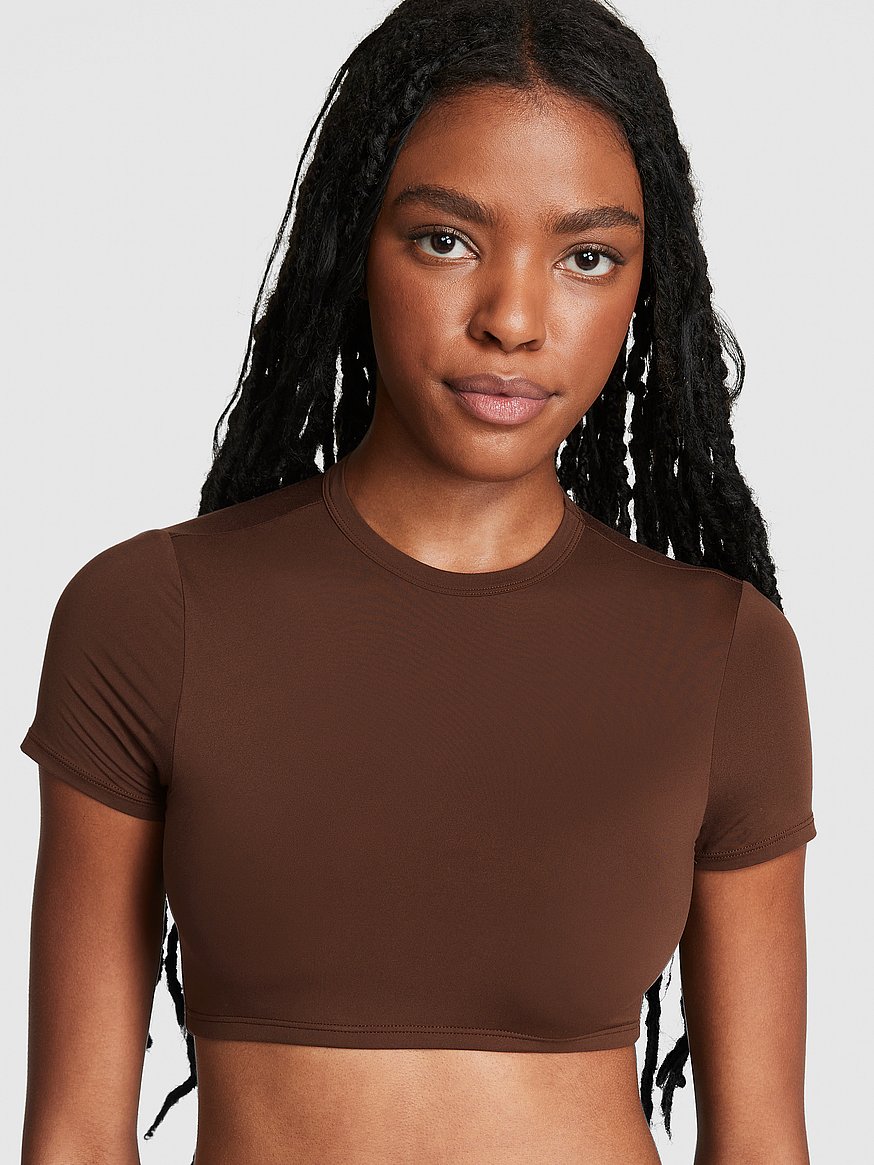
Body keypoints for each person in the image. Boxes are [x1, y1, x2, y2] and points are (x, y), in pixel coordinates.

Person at [19, 1, 817, 1162]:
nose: (513, 320)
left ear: (647, 288)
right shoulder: (152, 616)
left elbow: (761, 1144)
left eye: (586, 257)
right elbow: (76, 1138)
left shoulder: (722, 653)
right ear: (358, 242)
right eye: (446, 240)